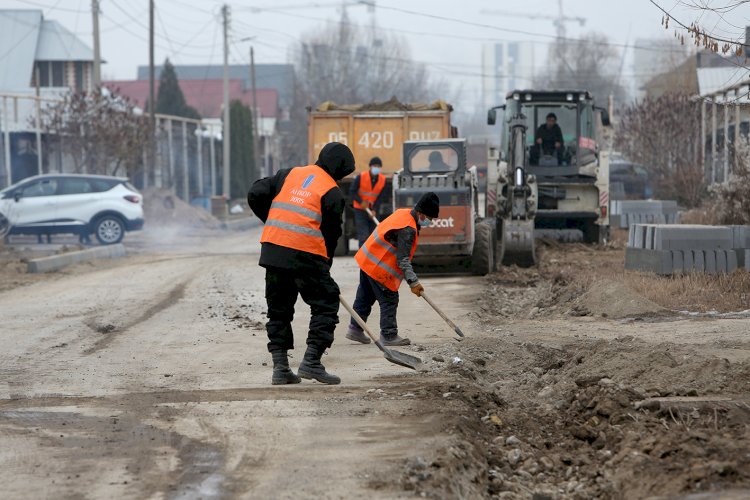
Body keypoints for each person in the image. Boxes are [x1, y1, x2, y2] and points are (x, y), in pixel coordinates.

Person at [247, 142, 355, 386]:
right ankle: (311, 362)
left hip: (273, 250)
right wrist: (324, 262)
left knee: (279, 309)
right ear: (340, 169)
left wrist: (272, 219)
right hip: (305, 254)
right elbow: (331, 235)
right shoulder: (332, 192)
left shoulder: (289, 174)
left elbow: (255, 193)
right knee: (326, 303)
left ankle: (281, 368)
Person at [345, 192, 440, 347]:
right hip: (379, 268)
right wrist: (413, 282)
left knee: (365, 296)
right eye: (429, 219)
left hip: (367, 259)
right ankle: (389, 335)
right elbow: (403, 260)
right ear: (421, 214)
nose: (429, 222)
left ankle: (355, 328)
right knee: (389, 299)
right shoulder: (408, 229)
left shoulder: (403, 213)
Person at [350, 156, 386, 247]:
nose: (376, 168)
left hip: (372, 210)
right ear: (370, 166)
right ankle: (362, 258)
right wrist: (361, 201)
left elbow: (381, 197)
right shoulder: (361, 177)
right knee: (363, 235)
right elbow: (352, 191)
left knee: (373, 236)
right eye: (374, 166)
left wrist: (375, 210)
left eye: (378, 166)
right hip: (360, 209)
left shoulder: (382, 180)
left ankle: (371, 258)